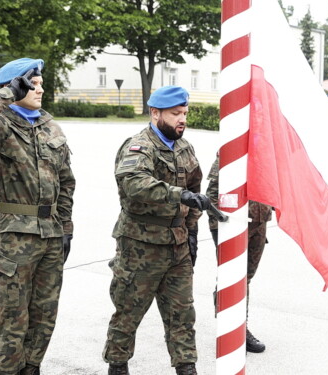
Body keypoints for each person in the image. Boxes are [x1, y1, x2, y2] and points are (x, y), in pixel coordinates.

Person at [0, 57, 75, 375]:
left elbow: (66, 181)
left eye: (42, 81)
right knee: (13, 325)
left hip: (49, 235)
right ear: (16, 84)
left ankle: (32, 369)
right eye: (33, 81)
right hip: (11, 241)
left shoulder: (49, 126)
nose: (40, 87)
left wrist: (66, 227)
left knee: (44, 318)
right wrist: (6, 95)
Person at [103, 85, 209, 375]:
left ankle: (186, 368)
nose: (182, 119)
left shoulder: (185, 148)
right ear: (155, 113)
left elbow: (195, 189)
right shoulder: (139, 146)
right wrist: (179, 195)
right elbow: (133, 183)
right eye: (175, 113)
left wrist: (191, 231)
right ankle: (118, 366)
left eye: (185, 113)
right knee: (128, 312)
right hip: (141, 246)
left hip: (177, 246)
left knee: (182, 314)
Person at [206, 155, 271, 353]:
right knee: (232, 276)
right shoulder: (232, 149)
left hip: (259, 222)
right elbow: (212, 193)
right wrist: (222, 229)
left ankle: (237, 324)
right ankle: (233, 327)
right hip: (234, 226)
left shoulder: (267, 149)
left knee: (247, 277)